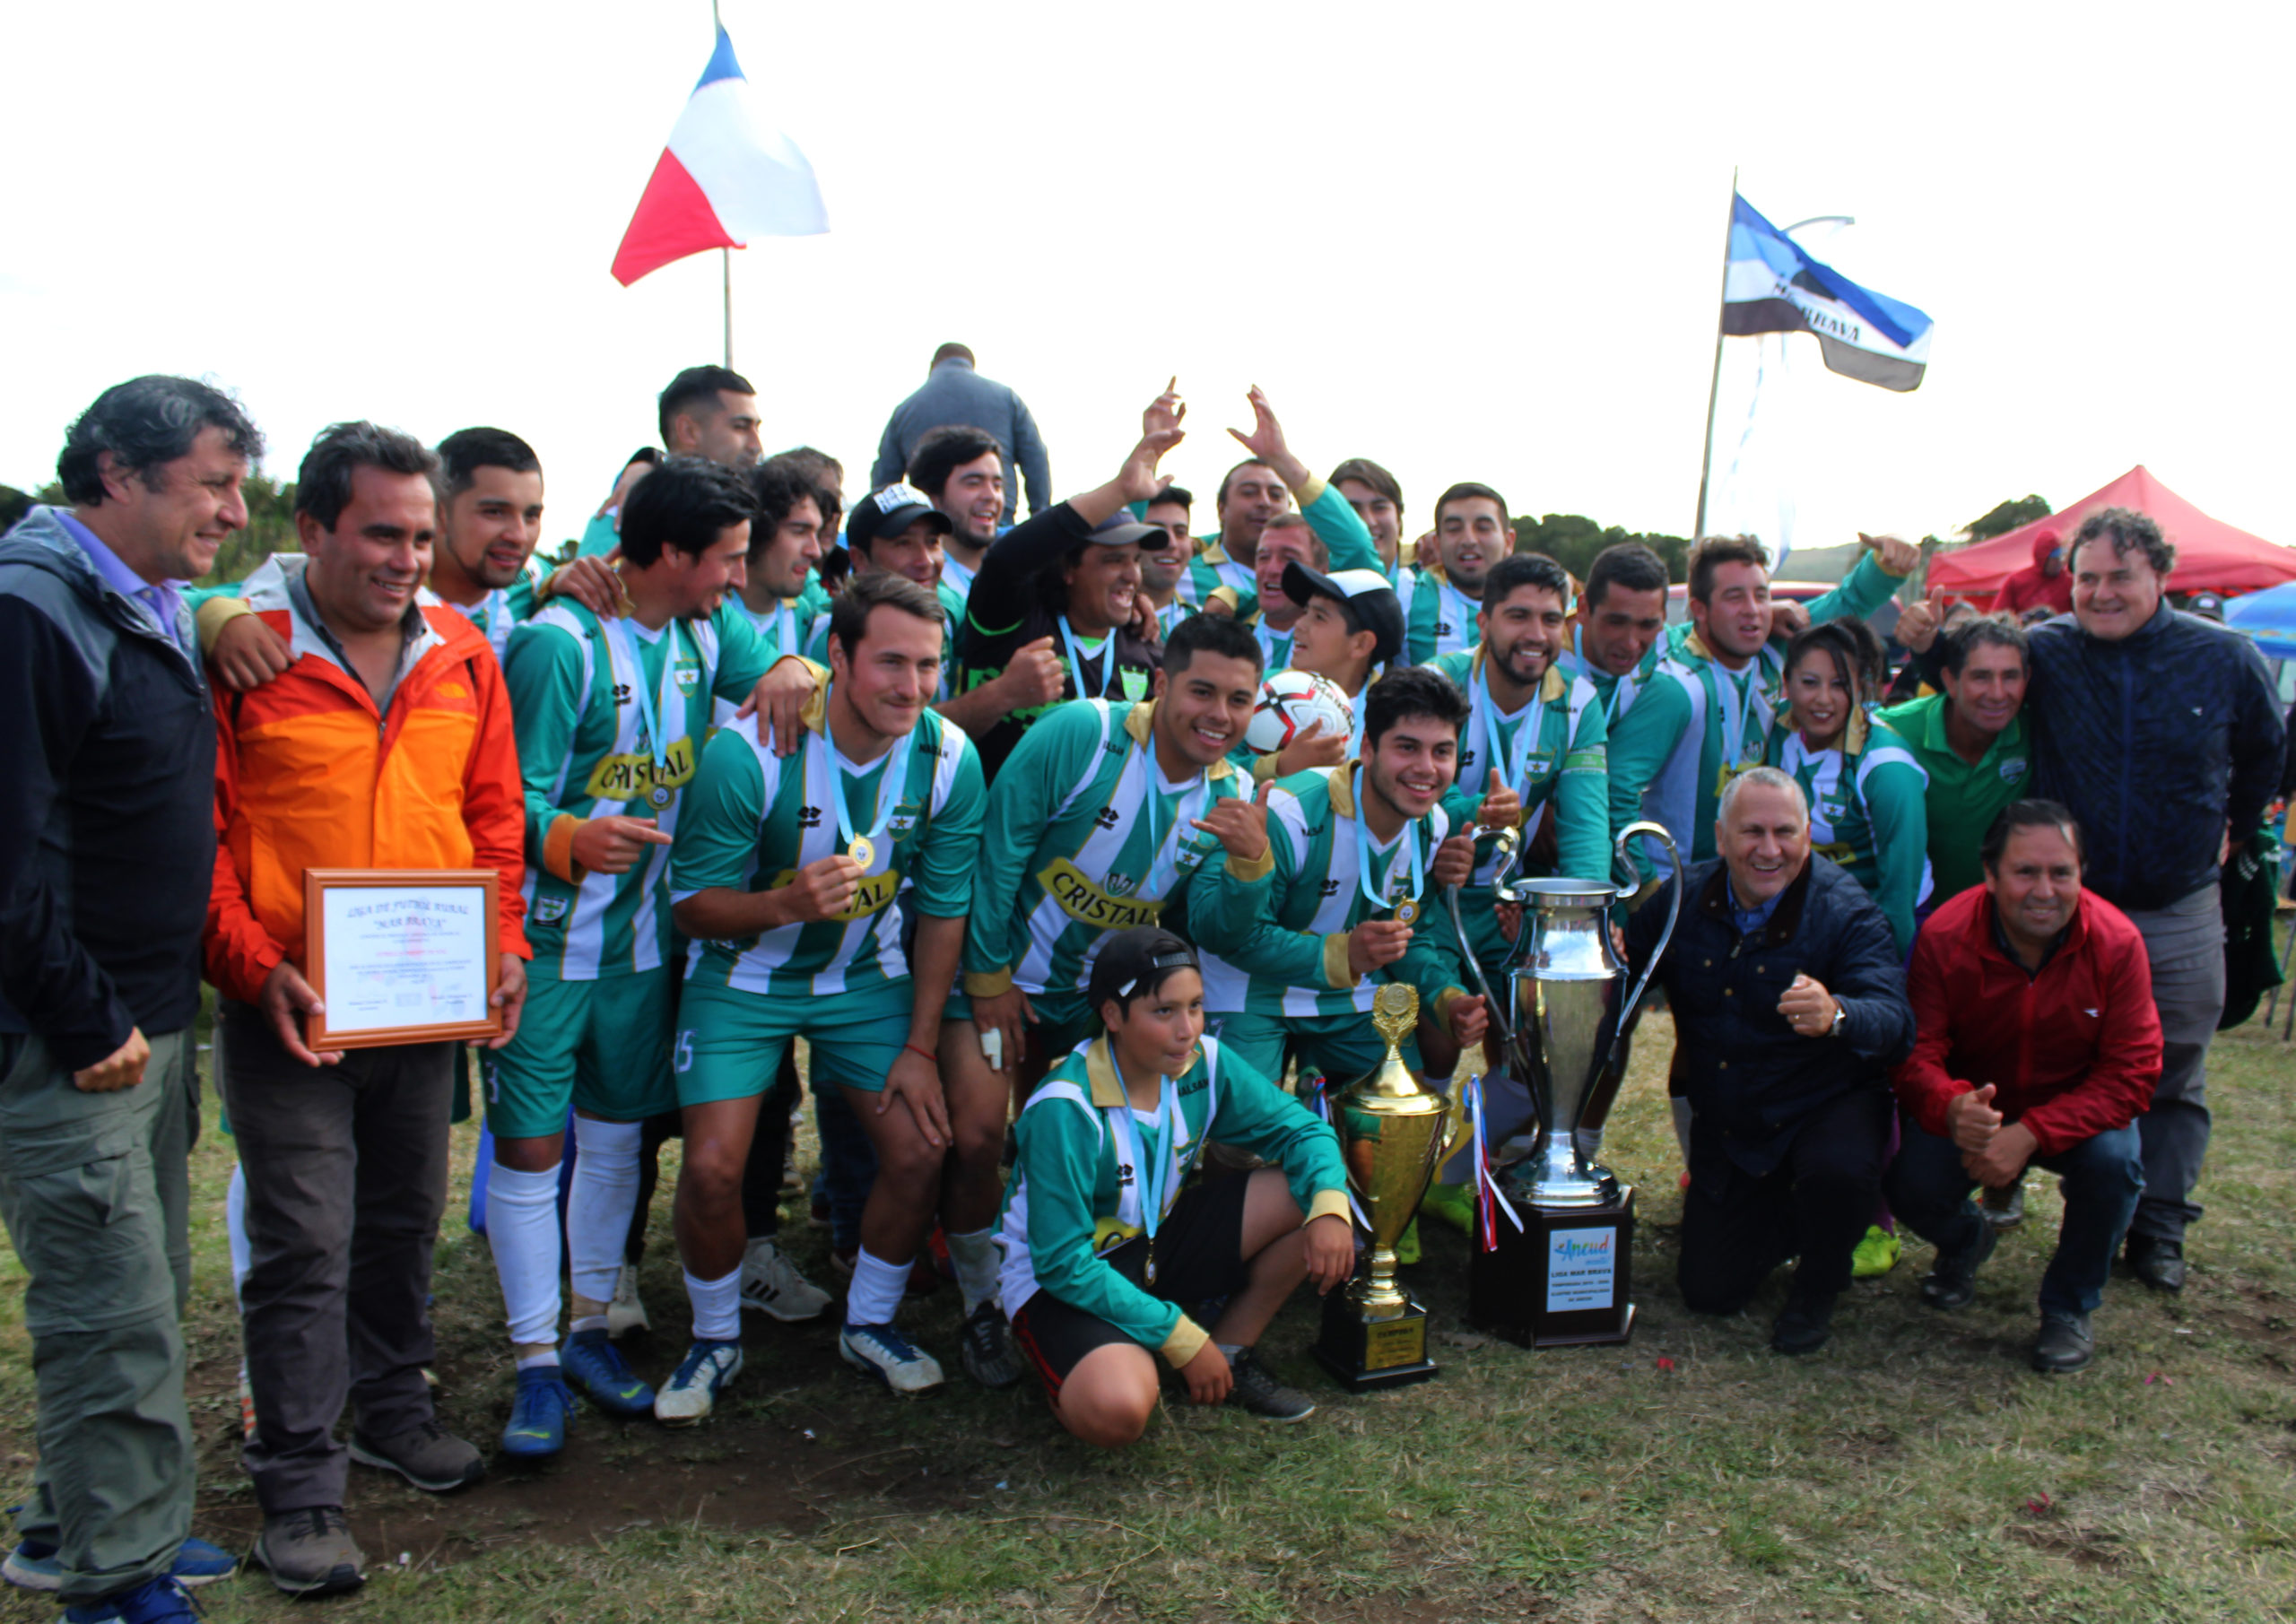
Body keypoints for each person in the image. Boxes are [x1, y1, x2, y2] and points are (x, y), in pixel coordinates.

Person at [204, 422, 531, 1594]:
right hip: (289, 1010)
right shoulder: (245, 651)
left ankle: (393, 1405)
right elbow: (203, 839)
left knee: (402, 1220)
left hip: (424, 1004)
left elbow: (492, 817)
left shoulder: (464, 651)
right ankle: (298, 1483)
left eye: (420, 536)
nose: (406, 558)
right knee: (303, 1241)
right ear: (311, 529)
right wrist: (255, 969)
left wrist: (502, 944)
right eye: (381, 534)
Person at [484, 455, 822, 1461]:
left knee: (615, 1143)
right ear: (670, 552)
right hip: (548, 950)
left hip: (642, 952)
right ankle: (532, 1360)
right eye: (726, 559)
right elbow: (497, 799)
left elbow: (790, 672)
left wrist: (796, 670)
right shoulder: (558, 644)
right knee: (531, 1153)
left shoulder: (706, 631)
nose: (739, 577)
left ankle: (588, 1327)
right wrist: (567, 835)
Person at [0, 377, 260, 1620]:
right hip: (78, 1036)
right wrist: (84, 1013)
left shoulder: (142, 597)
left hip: (141, 1021)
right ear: (117, 471)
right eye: (213, 483)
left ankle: (74, 1526)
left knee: (141, 1288)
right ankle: (116, 1580)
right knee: (111, 1316)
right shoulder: (29, 610)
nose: (235, 510)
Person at [667, 573, 988, 1406]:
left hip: (865, 975)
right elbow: (691, 906)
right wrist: (784, 904)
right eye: (891, 662)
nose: (911, 686)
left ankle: (868, 1321)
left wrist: (920, 1046)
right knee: (711, 1169)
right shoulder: (748, 749)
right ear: (836, 657)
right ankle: (713, 1339)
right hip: (743, 974)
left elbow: (944, 912)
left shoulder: (949, 756)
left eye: (928, 665)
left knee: (920, 1147)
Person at [2023, 508, 2284, 1290]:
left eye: (2120, 576)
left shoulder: (2225, 657)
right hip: (2068, 909)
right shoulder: (2046, 650)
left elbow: (2268, 750)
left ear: (2161, 576)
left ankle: (2160, 1225)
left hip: (2179, 904)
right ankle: (2082, 1211)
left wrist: (2237, 825)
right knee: (2058, 1065)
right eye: (2087, 578)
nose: (2101, 593)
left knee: (2174, 1068)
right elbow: (1969, 676)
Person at [1000, 929, 1355, 1441]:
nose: (1187, 1030)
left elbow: (1304, 1131)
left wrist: (1329, 1207)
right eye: (1164, 1011)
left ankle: (1230, 1354)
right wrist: (1178, 1335)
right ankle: (1086, 1357)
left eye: (1195, 1006)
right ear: (1113, 1015)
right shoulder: (1065, 1107)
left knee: (1308, 1194)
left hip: (1152, 1239)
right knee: (1118, 1411)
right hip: (1065, 1274)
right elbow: (1061, 1263)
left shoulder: (1205, 1062)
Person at [1622, 769, 1915, 1355]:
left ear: (1808, 835)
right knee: (1709, 1292)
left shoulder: (1848, 911)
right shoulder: (1681, 898)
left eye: (1785, 832)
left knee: (1838, 1172)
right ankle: (1788, 1218)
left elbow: (1896, 1024)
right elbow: (1623, 973)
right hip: (1736, 1128)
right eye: (1752, 831)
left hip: (1823, 1110)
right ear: (1720, 836)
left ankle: (1819, 1284)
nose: (1770, 849)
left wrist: (1838, 1013)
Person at [1889, 803, 2159, 1373]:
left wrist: (2033, 1132)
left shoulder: (2118, 943)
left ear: (2082, 874)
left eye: (2061, 873)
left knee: (2116, 1165)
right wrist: (1951, 1105)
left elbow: (2133, 1073)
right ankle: (1966, 1242)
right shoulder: (1944, 936)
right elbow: (1916, 1051)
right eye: (2025, 872)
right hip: (1977, 1109)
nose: (2044, 891)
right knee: (1905, 1176)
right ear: (1990, 874)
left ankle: (2069, 1306)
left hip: (2075, 1115)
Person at [964, 614, 1274, 1096]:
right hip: (1002, 975)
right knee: (978, 1133)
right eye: (1202, 692)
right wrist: (989, 979)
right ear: (1162, 684)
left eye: (1238, 700)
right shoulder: (1083, 731)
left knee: (1092, 1131)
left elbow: (1211, 932)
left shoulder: (1234, 794)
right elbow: (997, 857)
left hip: (1100, 1002)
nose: (1219, 714)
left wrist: (1251, 867)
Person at [1188, 668, 1489, 1090]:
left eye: (1442, 751)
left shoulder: (1433, 825)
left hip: (1347, 996)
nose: (1426, 768)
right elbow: (1234, 938)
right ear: (1367, 748)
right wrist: (1343, 955)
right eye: (1407, 747)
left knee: (1401, 1106)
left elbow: (1410, 937)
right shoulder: (1290, 812)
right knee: (1246, 1128)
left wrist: (1447, 997)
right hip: (1249, 989)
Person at [199, 428, 624, 684]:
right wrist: (219, 617)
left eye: (531, 516)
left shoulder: (532, 581)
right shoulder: (384, 580)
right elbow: (202, 599)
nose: (518, 535)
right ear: (438, 512)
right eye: (493, 512)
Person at [949, 387, 1186, 778]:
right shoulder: (1012, 620)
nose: (1131, 575)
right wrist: (1121, 489)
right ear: (1068, 568)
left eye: (1135, 561)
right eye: (1113, 560)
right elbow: (1006, 560)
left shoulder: (1147, 649)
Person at [1659, 532, 1918, 864]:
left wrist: (1884, 568)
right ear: (1700, 609)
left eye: (1761, 595)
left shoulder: (1772, 643)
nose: (1752, 610)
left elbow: (1847, 601)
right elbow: (1643, 639)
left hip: (1745, 864)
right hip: (1676, 868)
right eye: (1735, 597)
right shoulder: (1671, 670)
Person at [1430, 552, 1612, 1009]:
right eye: (1518, 616)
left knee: (1528, 1029)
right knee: (1435, 1037)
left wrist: (1580, 927)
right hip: (1427, 891)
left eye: (1550, 619)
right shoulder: (1436, 683)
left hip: (1509, 900)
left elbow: (1586, 827)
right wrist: (1474, 812)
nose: (1536, 634)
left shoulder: (1579, 700)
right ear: (1484, 623)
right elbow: (1406, 798)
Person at [1764, 620, 1931, 957]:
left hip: (1882, 917)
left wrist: (1877, 967)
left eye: (1840, 685)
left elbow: (1899, 893)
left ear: (1859, 686)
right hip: (1807, 910)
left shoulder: (1887, 768)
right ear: (1786, 683)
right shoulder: (1776, 726)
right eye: (1809, 682)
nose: (1823, 699)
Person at [1877, 617, 2034, 908]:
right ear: (1949, 680)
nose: (1997, 693)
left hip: (2001, 918)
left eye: (2010, 677)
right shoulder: (1889, 732)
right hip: (1911, 917)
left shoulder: (2037, 728)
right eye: (1981, 677)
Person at [1559, 543, 1697, 866]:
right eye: (1616, 622)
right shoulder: (1543, 655)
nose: (1632, 642)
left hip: (1607, 851)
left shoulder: (1668, 650)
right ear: (1583, 609)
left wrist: (1773, 612)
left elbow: (1723, 629)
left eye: (1647, 625)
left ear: (1663, 619)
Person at [1178, 388, 1380, 606]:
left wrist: (1283, 460)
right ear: (1221, 508)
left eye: (1276, 494)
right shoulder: (1184, 574)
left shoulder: (1320, 575)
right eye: (1249, 492)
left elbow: (1358, 549)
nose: (1264, 502)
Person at [575, 366, 763, 556]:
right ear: (688, 431)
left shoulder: (760, 511)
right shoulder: (620, 519)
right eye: (740, 427)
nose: (756, 445)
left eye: (757, 428)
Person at [872, 343, 1050, 527]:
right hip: (994, 518)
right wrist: (1040, 515)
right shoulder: (1007, 398)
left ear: (933, 366)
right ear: (971, 364)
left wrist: (887, 526)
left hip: (930, 519)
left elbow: (885, 478)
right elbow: (1035, 458)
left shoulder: (905, 410)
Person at [1398, 482, 1513, 664]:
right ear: (1437, 544)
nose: (1469, 540)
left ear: (1508, 542)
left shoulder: (1538, 603)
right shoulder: (1406, 593)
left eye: (1483, 528)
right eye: (1454, 529)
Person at [906, 423, 1005, 607]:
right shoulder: (919, 579)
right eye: (973, 483)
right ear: (931, 496)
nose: (991, 496)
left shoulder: (1025, 559)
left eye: (997, 485)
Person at [1329, 456, 1405, 578]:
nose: (1369, 522)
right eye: (1353, 510)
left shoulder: (1432, 583)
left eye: (1379, 508)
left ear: (1399, 520)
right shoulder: (1310, 584)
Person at [1139, 485, 1194, 638]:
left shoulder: (1203, 625)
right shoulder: (1101, 621)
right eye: (1157, 532)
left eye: (1180, 532)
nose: (1171, 543)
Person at [1990, 525, 2072, 620]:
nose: (2060, 561)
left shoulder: (2069, 580)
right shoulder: (2017, 581)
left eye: (2062, 555)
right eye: (2055, 556)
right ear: (2043, 557)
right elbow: (1998, 616)